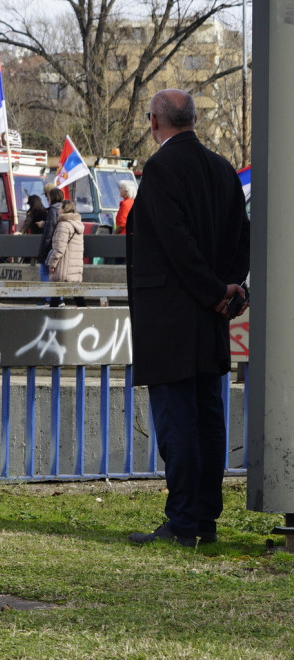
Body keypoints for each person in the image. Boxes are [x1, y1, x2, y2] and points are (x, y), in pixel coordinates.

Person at [126, 89, 250, 548]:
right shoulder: (223, 169)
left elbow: (174, 243)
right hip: (210, 317)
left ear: (156, 121)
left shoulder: (160, 169)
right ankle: (205, 521)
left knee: (177, 422)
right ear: (193, 120)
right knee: (208, 419)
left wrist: (215, 291)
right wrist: (227, 289)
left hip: (172, 318)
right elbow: (243, 235)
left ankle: (182, 522)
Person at [45, 199, 85, 307]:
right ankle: (85, 313)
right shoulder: (78, 224)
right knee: (76, 293)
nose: (58, 210)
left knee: (57, 291)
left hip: (64, 265)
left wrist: (52, 263)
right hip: (74, 265)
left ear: (64, 209)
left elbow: (59, 248)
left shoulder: (63, 225)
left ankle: (51, 316)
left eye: (60, 208)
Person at [37, 187, 66, 305]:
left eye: (48, 197)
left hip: (51, 247)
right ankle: (60, 298)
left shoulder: (53, 210)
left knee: (43, 271)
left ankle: (49, 297)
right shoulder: (65, 208)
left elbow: (49, 232)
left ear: (52, 197)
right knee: (58, 275)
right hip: (62, 246)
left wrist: (42, 251)